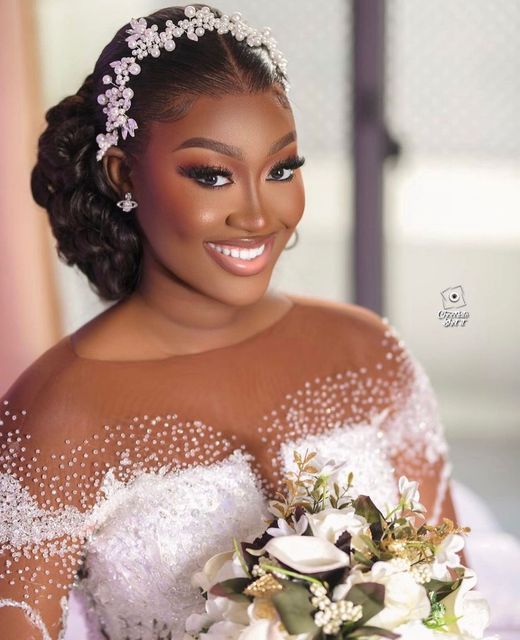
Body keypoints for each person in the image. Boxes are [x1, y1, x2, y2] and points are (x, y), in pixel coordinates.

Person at [0, 5, 461, 639]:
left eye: (281, 170)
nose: (257, 214)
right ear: (122, 172)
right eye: (212, 175)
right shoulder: (58, 413)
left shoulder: (367, 352)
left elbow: (452, 594)